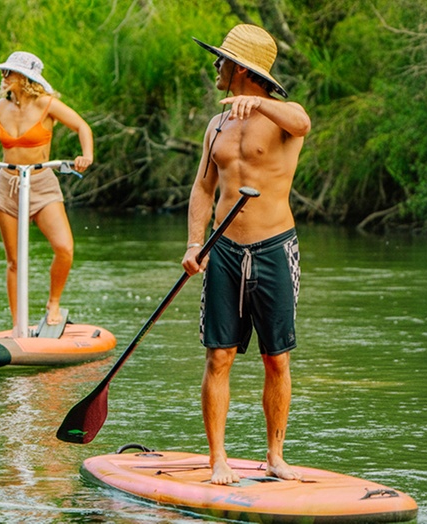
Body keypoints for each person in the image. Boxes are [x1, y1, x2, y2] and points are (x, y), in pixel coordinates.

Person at [181, 25, 311, 485]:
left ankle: (275, 456)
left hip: (275, 247)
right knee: (219, 357)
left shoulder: (282, 117)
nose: (215, 67)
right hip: (223, 251)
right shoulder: (216, 125)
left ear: (241, 69)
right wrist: (195, 243)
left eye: (221, 60)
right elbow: (202, 188)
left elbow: (302, 121)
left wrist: (259, 103)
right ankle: (218, 459)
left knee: (276, 358)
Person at [0, 51, 93, 328]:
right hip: (8, 187)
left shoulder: (47, 104)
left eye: (9, 72)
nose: (4, 76)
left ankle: (53, 304)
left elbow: (82, 126)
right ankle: (17, 325)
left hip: (42, 185)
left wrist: (86, 155)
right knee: (14, 261)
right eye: (4, 71)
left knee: (64, 248)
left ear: (26, 77)